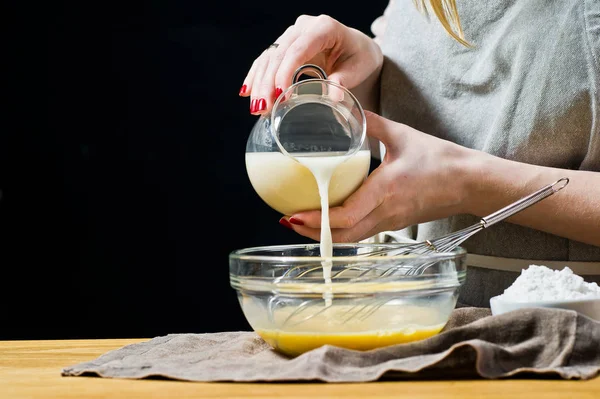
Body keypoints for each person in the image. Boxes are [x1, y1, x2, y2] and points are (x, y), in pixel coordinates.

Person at [238, 0, 600, 307]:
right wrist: (365, 71)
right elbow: (439, 106)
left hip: (564, 336)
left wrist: (466, 182)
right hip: (398, 312)